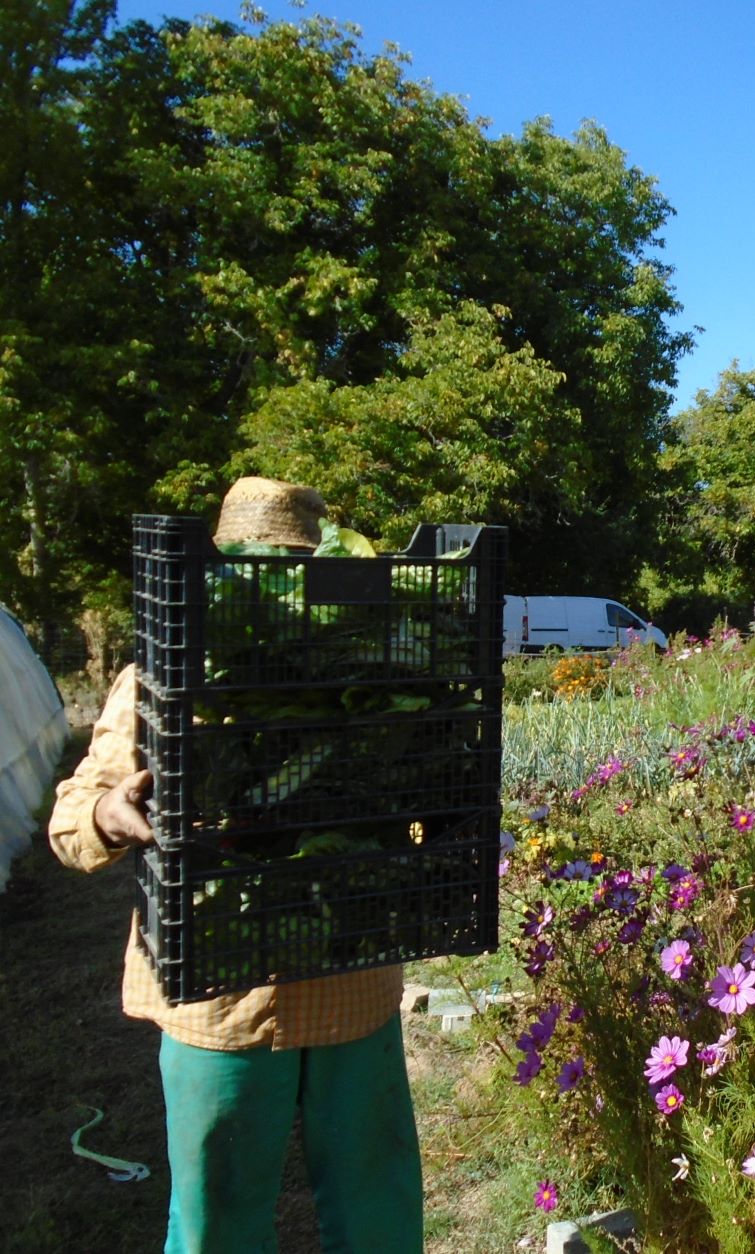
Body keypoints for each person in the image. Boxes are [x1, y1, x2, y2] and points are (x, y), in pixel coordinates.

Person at [48, 477, 424, 1254]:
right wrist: (108, 813)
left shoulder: (368, 661)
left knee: (376, 1202)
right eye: (258, 568)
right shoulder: (163, 666)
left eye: (294, 570)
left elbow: (427, 781)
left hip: (348, 974)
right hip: (216, 993)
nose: (277, 589)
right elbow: (73, 812)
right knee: (217, 1212)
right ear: (220, 571)